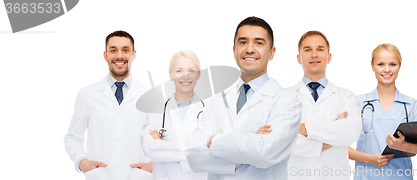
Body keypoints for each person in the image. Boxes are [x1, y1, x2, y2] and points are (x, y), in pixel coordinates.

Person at [186, 16, 302, 180]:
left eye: (259, 43)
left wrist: (214, 141)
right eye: (243, 42)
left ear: (272, 53)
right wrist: (249, 143)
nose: (249, 49)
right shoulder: (217, 102)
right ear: (234, 51)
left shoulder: (288, 101)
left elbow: (264, 152)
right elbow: (193, 156)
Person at [64, 30, 153, 180]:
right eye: (113, 50)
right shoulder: (87, 94)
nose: (119, 56)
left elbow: (163, 138)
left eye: (125, 50)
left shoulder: (149, 95)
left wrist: (154, 165)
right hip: (101, 176)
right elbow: (73, 137)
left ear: (134, 55)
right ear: (105, 55)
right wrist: (82, 162)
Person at [348, 43, 417, 180]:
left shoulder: (412, 105)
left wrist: (404, 145)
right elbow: (336, 145)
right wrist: (369, 159)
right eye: (380, 64)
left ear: (399, 67)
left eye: (392, 64)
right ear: (372, 66)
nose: (387, 69)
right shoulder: (357, 103)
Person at [287, 31, 361, 180]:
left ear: (329, 57)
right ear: (298, 58)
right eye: (307, 50)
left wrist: (303, 129)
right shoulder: (283, 97)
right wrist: (328, 138)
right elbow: (280, 142)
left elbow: (352, 131)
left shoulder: (346, 96)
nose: (314, 54)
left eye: (320, 49)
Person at [141, 50, 208, 180]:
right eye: (179, 71)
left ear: (199, 75)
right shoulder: (156, 110)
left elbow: (209, 153)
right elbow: (149, 148)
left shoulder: (209, 111)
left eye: (191, 71)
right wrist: (191, 148)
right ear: (171, 75)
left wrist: (163, 146)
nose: (185, 76)